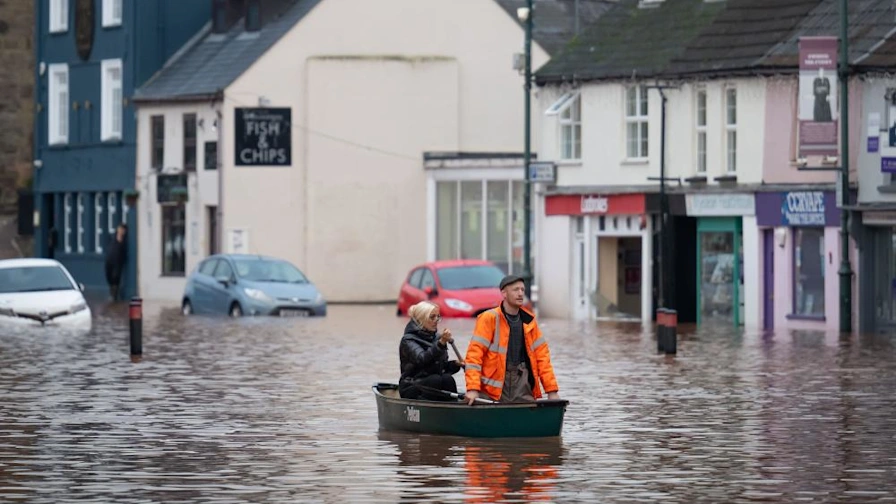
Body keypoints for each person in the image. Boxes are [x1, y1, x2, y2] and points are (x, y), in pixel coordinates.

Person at [464, 275, 560, 405]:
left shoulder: (530, 322)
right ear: (504, 293)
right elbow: (474, 356)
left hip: (522, 384)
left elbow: (543, 359)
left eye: (522, 290)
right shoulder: (489, 318)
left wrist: (551, 391)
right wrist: (473, 389)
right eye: (515, 290)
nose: (520, 294)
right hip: (491, 390)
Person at [399, 301, 465, 401]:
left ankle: (453, 409)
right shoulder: (408, 340)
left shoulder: (438, 338)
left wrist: (456, 364)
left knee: (447, 379)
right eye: (432, 317)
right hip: (411, 386)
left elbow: (441, 368)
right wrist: (440, 343)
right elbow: (422, 360)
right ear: (421, 319)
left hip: (432, 384)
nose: (436, 321)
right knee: (435, 379)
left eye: (438, 317)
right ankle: (430, 410)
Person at [104, 223, 127, 301]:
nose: (121, 231)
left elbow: (124, 251)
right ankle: (112, 290)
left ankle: (114, 295)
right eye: (120, 229)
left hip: (118, 261)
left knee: (116, 277)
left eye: (122, 230)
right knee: (108, 275)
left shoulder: (124, 239)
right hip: (110, 259)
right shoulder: (112, 236)